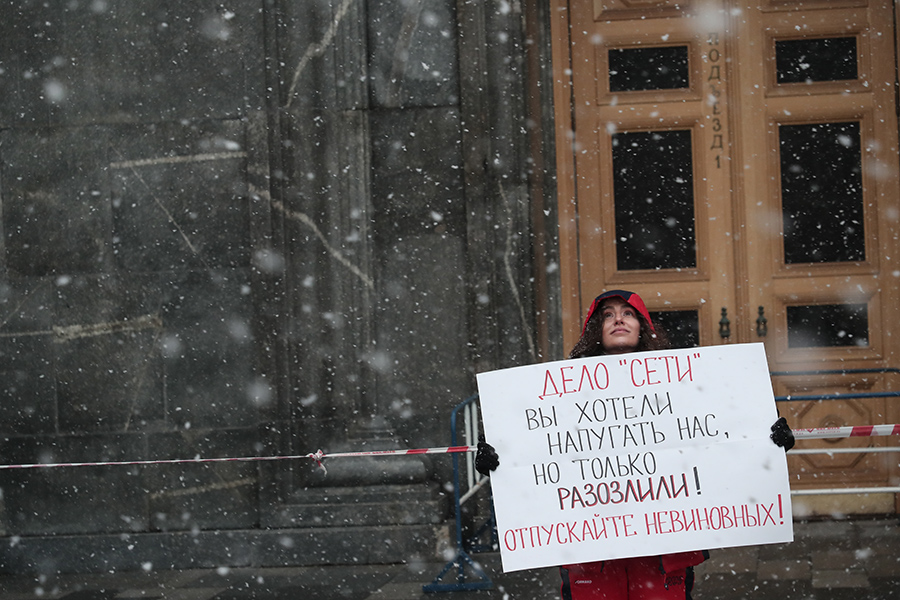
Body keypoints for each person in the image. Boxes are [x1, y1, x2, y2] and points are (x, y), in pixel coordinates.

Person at [475, 289, 795, 600]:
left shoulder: (685, 384)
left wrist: (770, 441)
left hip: (664, 550)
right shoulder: (559, 395)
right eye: (608, 315)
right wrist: (498, 460)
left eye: (628, 314)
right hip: (592, 554)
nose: (619, 320)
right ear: (595, 329)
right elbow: (539, 456)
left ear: (643, 326)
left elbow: (723, 436)